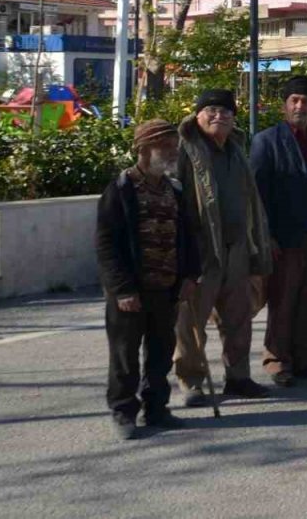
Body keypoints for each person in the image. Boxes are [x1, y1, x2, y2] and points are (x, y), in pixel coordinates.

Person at [96, 120, 201, 440]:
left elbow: (189, 236)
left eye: (174, 146)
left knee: (160, 351)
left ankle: (156, 408)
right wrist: (122, 289)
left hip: (166, 288)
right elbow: (106, 243)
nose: (171, 152)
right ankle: (123, 411)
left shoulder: (175, 189)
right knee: (125, 356)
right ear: (143, 149)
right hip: (131, 292)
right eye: (164, 146)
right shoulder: (121, 188)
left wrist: (188, 276)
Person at [174, 89, 273, 405]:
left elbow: (251, 200)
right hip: (202, 252)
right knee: (191, 322)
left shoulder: (235, 151)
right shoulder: (186, 151)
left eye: (226, 112)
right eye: (212, 110)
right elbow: (175, 203)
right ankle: (191, 382)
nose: (219, 116)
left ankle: (238, 377)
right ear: (197, 114)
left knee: (238, 319)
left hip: (237, 249)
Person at [250, 76, 307, 386]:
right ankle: (277, 360)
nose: (300, 106)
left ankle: (306, 360)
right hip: (285, 239)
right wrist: (268, 236)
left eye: (305, 101)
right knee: (283, 302)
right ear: (284, 106)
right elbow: (257, 195)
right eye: (294, 101)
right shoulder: (267, 141)